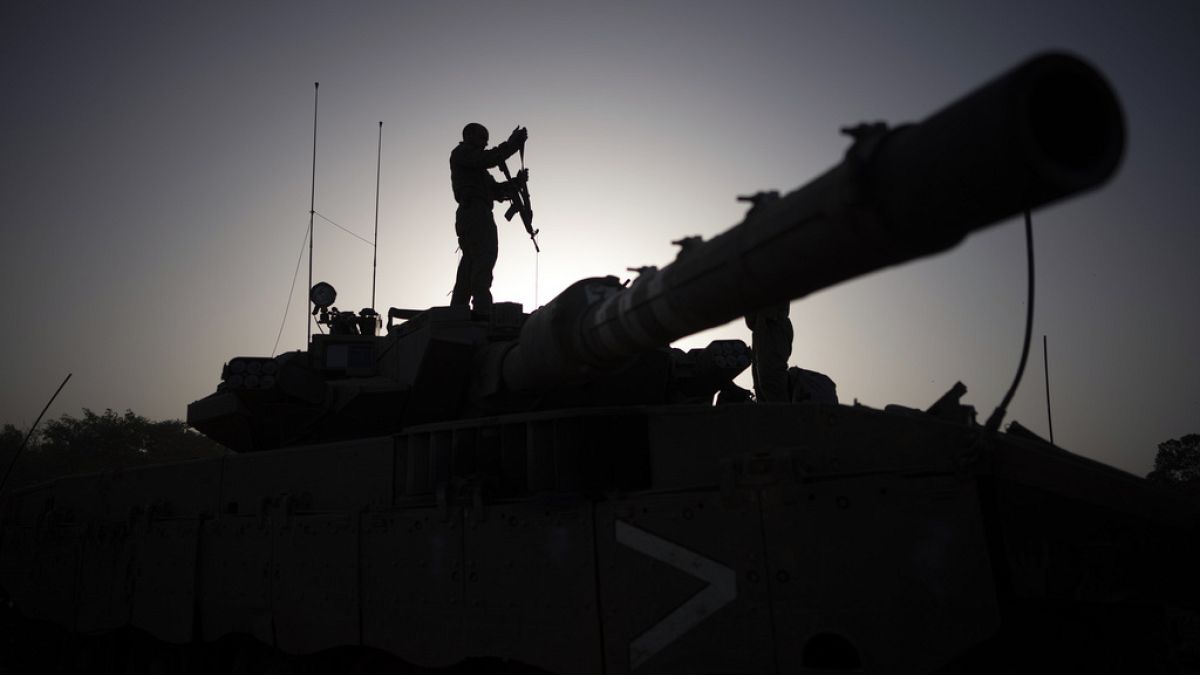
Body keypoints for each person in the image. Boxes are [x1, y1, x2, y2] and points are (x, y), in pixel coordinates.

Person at [449, 122, 528, 314]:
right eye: (482, 138)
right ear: (468, 135)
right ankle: (482, 309)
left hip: (478, 212)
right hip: (474, 213)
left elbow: (498, 192)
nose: (485, 142)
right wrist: (512, 144)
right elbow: (491, 158)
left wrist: (517, 182)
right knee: (483, 257)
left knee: (471, 263)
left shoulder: (479, 172)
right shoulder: (462, 154)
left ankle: (458, 309)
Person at [745, 303, 793, 402]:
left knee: (770, 379)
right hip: (760, 325)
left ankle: (784, 415)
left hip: (773, 322)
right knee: (760, 387)